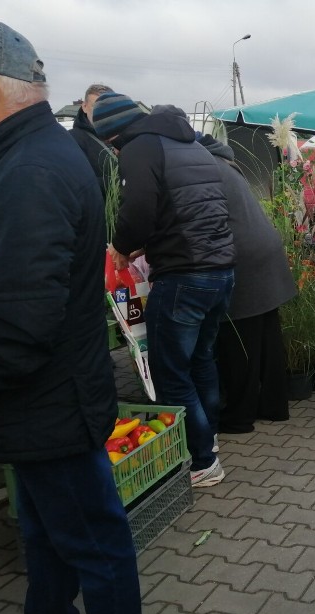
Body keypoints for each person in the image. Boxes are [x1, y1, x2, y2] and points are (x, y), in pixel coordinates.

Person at [0, 20, 141, 614]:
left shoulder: (29, 171)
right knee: (46, 535)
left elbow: (20, 322)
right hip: (43, 404)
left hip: (47, 404)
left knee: (94, 543)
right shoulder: (22, 157)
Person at [93, 92, 235, 486]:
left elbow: (137, 209)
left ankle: (202, 462)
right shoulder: (191, 144)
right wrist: (147, 244)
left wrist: (122, 247)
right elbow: (187, 210)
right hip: (220, 270)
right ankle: (210, 439)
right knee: (202, 360)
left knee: (171, 372)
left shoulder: (139, 148)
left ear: (111, 136)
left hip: (183, 276)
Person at [197, 128, 298, 434]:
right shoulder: (225, 163)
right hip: (265, 249)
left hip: (244, 258)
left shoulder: (203, 168)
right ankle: (274, 406)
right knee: (266, 335)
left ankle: (239, 417)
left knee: (237, 340)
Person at [69, 82, 114, 196]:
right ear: (84, 107)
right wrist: (120, 183)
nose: (103, 112)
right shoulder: (71, 140)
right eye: (96, 106)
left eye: (107, 106)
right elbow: (75, 183)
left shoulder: (124, 137)